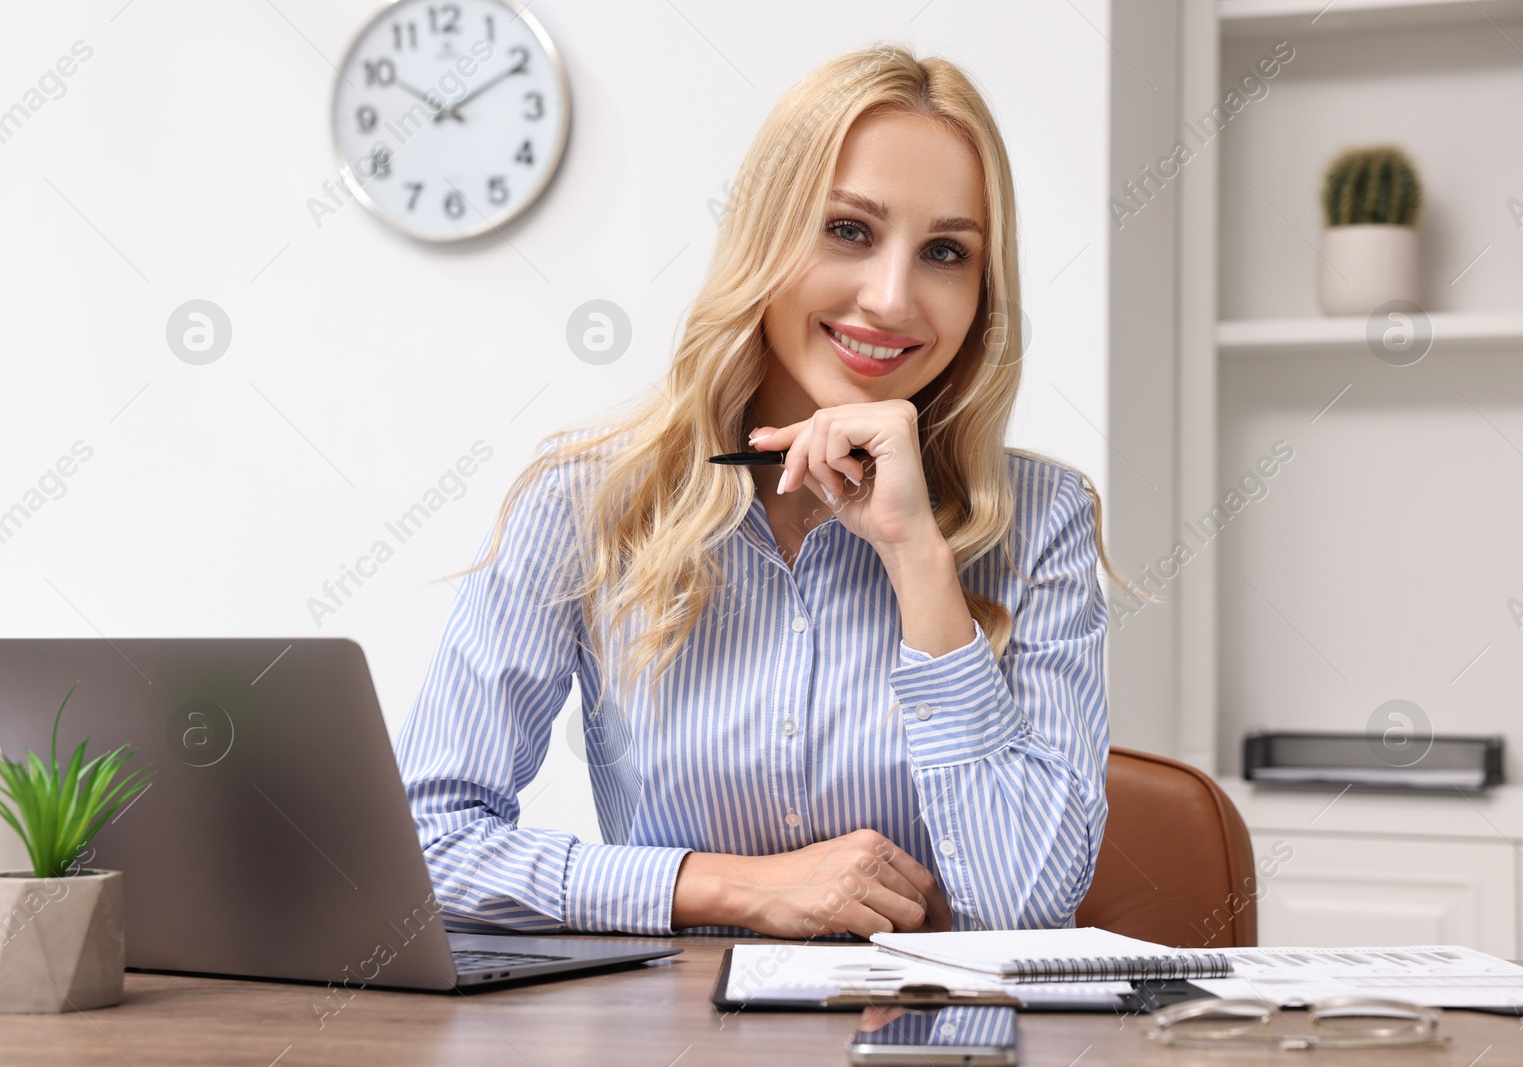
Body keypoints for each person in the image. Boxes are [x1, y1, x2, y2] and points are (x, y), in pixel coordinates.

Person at [393, 41, 1143, 940]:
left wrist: (918, 558)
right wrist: (728, 886)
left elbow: (1023, 907)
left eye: (946, 251)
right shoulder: (587, 505)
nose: (893, 298)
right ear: (766, 234)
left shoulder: (1041, 525)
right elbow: (427, 848)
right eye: (849, 230)